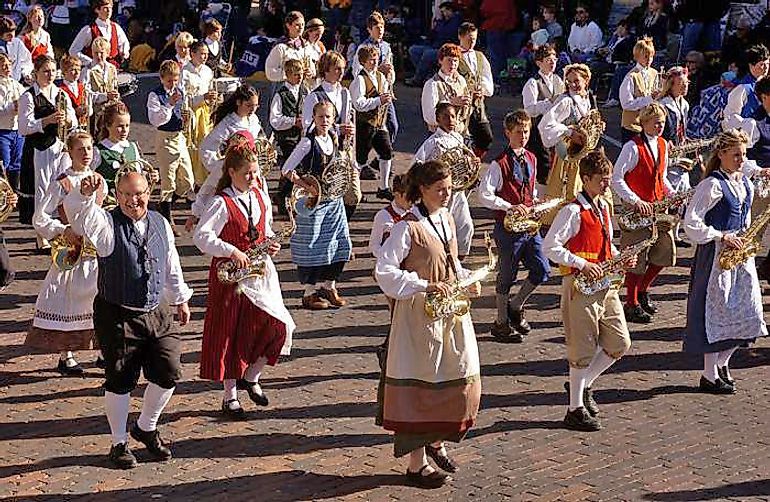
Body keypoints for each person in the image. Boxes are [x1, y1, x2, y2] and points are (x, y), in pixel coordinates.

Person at [64, 168, 192, 470]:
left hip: (156, 310)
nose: (134, 200)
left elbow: (171, 263)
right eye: (126, 194)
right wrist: (83, 195)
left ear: (149, 193)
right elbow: (81, 220)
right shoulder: (107, 223)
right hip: (117, 312)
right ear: (117, 195)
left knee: (169, 371)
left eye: (139, 193)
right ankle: (119, 443)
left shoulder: (160, 222)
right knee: (120, 380)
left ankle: (146, 427)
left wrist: (180, 298)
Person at [374, 159, 481, 489]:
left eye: (449, 188)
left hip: (450, 314)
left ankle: (437, 441)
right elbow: (385, 271)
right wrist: (423, 285)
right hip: (419, 319)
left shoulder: (446, 218)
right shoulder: (407, 228)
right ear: (422, 190)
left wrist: (466, 278)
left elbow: (451, 264)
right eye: (441, 189)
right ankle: (416, 465)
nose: (448, 194)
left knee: (462, 383)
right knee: (420, 389)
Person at [193, 141, 294, 418]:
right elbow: (201, 237)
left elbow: (267, 230)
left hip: (260, 273)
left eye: (255, 172)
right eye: (247, 173)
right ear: (232, 172)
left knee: (278, 325)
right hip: (232, 277)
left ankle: (251, 375)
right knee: (231, 333)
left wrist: (272, 243)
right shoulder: (221, 202)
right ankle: (230, 396)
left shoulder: (259, 196)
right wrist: (231, 250)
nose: (253, 178)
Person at [543, 150, 633, 431]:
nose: (607, 185)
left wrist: (620, 256)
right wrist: (580, 264)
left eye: (607, 179)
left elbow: (604, 244)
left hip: (604, 285)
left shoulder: (603, 207)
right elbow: (550, 247)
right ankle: (574, 408)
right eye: (601, 180)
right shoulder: (572, 211)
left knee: (620, 342)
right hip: (579, 287)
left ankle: (582, 385)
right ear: (586, 179)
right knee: (581, 349)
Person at [683, 129, 768, 394]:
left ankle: (722, 363)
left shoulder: (742, 181)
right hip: (717, 257)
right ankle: (709, 374)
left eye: (743, 155)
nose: (741, 160)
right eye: (736, 155)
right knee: (715, 313)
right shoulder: (712, 185)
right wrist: (720, 235)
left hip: (741, 256)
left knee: (749, 311)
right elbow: (691, 222)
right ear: (721, 155)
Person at [25, 131, 101, 375]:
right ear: (69, 152)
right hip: (70, 250)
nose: (86, 153)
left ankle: (102, 349)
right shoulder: (63, 182)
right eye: (80, 149)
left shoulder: (99, 180)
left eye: (89, 148)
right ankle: (65, 353)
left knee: (98, 297)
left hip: (94, 250)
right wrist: (61, 229)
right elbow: (40, 217)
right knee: (67, 298)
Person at [478, 110, 550, 342]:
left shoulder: (531, 157)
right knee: (507, 275)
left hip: (529, 226)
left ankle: (516, 305)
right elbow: (484, 195)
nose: (523, 136)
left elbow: (529, 187)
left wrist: (536, 201)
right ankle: (500, 323)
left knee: (542, 269)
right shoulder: (499, 164)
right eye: (518, 132)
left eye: (526, 132)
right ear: (508, 133)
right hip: (508, 228)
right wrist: (508, 206)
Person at [281, 100, 351, 310]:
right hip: (315, 203)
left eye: (328, 117)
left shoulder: (333, 138)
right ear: (314, 118)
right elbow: (287, 169)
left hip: (334, 201)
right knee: (313, 247)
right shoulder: (307, 143)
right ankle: (309, 293)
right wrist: (307, 186)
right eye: (320, 117)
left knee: (341, 243)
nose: (325, 121)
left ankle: (329, 286)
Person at [612, 103, 675, 323]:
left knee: (665, 252)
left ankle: (642, 290)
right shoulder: (632, 147)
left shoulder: (663, 144)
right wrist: (635, 201)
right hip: (638, 209)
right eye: (656, 122)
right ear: (644, 122)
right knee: (636, 258)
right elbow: (617, 178)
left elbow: (662, 176)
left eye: (663, 123)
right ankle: (631, 303)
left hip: (658, 207)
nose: (660, 126)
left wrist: (672, 192)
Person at [18, 55, 77, 244]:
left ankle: (61, 229)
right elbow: (23, 127)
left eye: (53, 71)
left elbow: (73, 121)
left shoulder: (61, 94)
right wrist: (47, 120)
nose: (50, 75)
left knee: (62, 187)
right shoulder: (29, 96)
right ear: (36, 73)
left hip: (60, 148)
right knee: (42, 190)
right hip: (39, 148)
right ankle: (41, 234)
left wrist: (67, 119)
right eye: (45, 71)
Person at [539, 63, 606, 223]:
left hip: (585, 157)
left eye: (576, 81)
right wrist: (569, 132)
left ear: (586, 81)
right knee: (569, 196)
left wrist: (598, 126)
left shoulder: (588, 99)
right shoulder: (566, 101)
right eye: (569, 81)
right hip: (569, 160)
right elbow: (545, 124)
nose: (573, 85)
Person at [192, 85, 263, 226]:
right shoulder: (228, 123)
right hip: (235, 171)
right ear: (238, 102)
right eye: (249, 105)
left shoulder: (253, 119)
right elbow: (206, 148)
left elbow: (260, 140)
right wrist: (220, 167)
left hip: (252, 168)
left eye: (256, 106)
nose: (253, 109)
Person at [300, 51, 359, 217]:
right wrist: (338, 129)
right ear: (325, 70)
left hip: (344, 151)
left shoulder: (345, 93)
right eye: (337, 69)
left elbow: (349, 118)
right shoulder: (314, 96)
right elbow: (307, 127)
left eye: (342, 68)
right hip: (324, 152)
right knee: (330, 195)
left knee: (354, 195)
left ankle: (342, 221)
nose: (341, 73)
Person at [413, 102, 475, 259]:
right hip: (440, 194)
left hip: (457, 191)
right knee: (444, 229)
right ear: (438, 120)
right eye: (445, 117)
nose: (450, 120)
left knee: (466, 226)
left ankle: (458, 261)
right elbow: (417, 164)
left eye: (453, 116)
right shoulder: (432, 142)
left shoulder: (458, 138)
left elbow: (464, 160)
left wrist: (471, 164)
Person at [146, 60, 194, 225]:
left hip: (179, 137)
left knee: (188, 181)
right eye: (169, 80)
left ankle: (163, 205)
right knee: (168, 181)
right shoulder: (155, 95)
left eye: (175, 79)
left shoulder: (180, 91)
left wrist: (187, 118)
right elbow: (155, 120)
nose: (173, 83)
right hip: (165, 137)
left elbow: (184, 111)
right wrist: (169, 105)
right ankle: (167, 217)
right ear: (161, 78)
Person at [350, 45, 394, 201]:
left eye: (375, 59)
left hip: (379, 123)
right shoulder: (360, 80)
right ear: (363, 62)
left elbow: (386, 91)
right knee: (360, 159)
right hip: (365, 124)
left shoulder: (381, 77)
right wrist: (378, 100)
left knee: (387, 152)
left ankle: (383, 187)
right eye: (370, 60)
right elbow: (358, 104)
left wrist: (386, 97)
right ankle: (353, 190)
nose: (374, 62)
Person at [659, 66, 694, 247]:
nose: (684, 87)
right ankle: (663, 233)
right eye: (680, 84)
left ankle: (675, 234)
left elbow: (682, 130)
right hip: (667, 153)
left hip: (680, 151)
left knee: (683, 193)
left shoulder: (684, 104)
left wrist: (688, 142)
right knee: (668, 193)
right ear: (671, 85)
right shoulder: (664, 105)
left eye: (686, 83)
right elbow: (661, 131)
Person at [523, 44, 566, 190]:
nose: (552, 62)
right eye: (548, 59)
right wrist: (548, 103)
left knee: (557, 165)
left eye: (554, 59)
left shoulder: (558, 80)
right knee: (543, 167)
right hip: (538, 131)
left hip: (556, 130)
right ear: (539, 63)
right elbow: (529, 110)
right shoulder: (533, 83)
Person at [270, 59, 305, 214]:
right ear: (288, 75)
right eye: (296, 74)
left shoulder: (304, 91)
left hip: (300, 136)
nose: (299, 77)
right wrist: (292, 121)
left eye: (301, 74)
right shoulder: (281, 94)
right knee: (291, 166)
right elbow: (275, 120)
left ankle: (285, 195)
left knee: (296, 167)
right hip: (286, 137)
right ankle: (283, 196)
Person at [181, 40, 217, 187]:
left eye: (206, 54)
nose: (204, 57)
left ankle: (204, 179)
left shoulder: (208, 71)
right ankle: (192, 180)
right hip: (191, 116)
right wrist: (202, 97)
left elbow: (211, 89)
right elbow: (183, 98)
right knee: (193, 147)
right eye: (201, 53)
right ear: (192, 54)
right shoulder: (185, 72)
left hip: (205, 114)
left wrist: (212, 99)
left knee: (206, 145)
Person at [456, 22, 493, 159]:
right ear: (460, 37)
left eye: (474, 39)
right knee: (460, 139)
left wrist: (482, 90)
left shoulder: (479, 56)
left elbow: (487, 79)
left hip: (477, 105)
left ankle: (473, 163)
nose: (472, 42)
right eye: (469, 39)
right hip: (461, 104)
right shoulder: (454, 55)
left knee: (486, 137)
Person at [92, 101, 143, 198]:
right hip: (108, 203)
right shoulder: (98, 151)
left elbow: (139, 174)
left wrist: (149, 177)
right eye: (120, 126)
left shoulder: (132, 147)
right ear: (108, 125)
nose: (124, 130)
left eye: (127, 126)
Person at [406, 1, 461, 87]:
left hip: (446, 49)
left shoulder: (456, 21)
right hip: (434, 45)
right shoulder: (441, 21)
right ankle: (427, 76)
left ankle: (417, 79)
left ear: (451, 10)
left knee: (428, 54)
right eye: (442, 12)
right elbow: (433, 34)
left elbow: (447, 35)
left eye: (446, 11)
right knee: (413, 50)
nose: (444, 14)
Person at [421, 43, 470, 138]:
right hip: (439, 136)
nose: (453, 64)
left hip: (459, 135)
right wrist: (451, 103)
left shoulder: (461, 81)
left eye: (455, 61)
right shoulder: (432, 84)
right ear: (440, 61)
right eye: (449, 60)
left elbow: (465, 114)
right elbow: (429, 116)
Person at [722, 44, 770, 136]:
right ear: (751, 65)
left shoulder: (767, 83)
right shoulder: (742, 88)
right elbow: (730, 118)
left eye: (768, 64)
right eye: (762, 64)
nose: (766, 67)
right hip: (747, 136)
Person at [619, 38, 660, 144]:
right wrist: (649, 99)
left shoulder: (654, 73)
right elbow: (626, 104)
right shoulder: (631, 76)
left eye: (651, 56)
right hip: (632, 127)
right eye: (646, 56)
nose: (649, 60)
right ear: (637, 57)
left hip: (648, 127)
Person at [69, 0, 130, 68]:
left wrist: (124, 52)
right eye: (105, 8)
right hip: (95, 71)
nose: (109, 10)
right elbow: (73, 51)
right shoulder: (88, 30)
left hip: (114, 69)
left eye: (110, 8)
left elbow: (124, 43)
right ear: (97, 10)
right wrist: (90, 62)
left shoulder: (116, 27)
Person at [265, 11, 313, 85]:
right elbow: (270, 72)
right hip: (283, 87)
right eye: (297, 25)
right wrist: (289, 74)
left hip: (302, 87)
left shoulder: (306, 45)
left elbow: (312, 67)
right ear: (288, 25)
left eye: (302, 25)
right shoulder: (280, 47)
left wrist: (310, 72)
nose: (301, 28)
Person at [0, 53, 25, 195]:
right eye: (3, 65)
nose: (7, 67)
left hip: (17, 130)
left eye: (9, 65)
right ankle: (4, 193)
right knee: (5, 162)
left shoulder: (17, 85)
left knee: (17, 163)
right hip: (2, 130)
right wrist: (12, 108)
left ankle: (14, 193)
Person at [59, 55, 92, 131]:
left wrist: (87, 110)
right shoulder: (60, 89)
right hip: (69, 128)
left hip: (83, 125)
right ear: (64, 71)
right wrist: (75, 111)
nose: (77, 73)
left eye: (79, 70)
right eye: (73, 70)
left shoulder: (82, 87)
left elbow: (89, 107)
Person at [0, 16, 33, 84]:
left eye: (13, 34)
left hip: (15, 83)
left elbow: (26, 60)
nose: (12, 38)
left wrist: (25, 73)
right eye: (8, 35)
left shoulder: (17, 42)